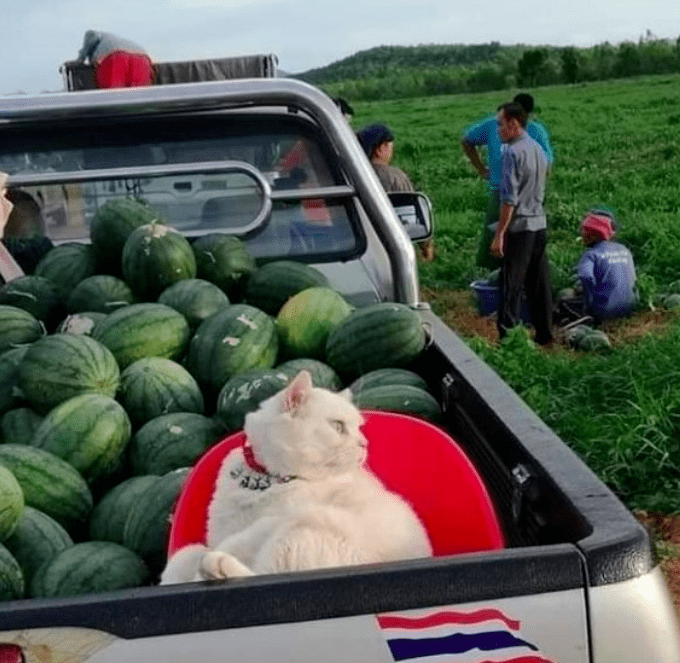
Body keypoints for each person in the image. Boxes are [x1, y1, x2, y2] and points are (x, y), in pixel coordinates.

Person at [462, 93, 553, 269]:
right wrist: (481, 169)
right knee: (497, 233)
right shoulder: (493, 126)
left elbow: (546, 162)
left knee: (519, 235)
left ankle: (515, 270)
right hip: (503, 191)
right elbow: (467, 141)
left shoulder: (535, 130)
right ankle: (494, 272)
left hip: (523, 194)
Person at [490, 102, 553, 346]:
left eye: (500, 124)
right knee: (539, 283)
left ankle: (509, 340)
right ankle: (545, 334)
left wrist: (500, 235)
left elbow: (509, 200)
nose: (498, 130)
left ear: (514, 125)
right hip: (539, 225)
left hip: (520, 228)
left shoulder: (512, 153)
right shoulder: (537, 149)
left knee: (511, 286)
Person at [356, 123, 435, 261]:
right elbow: (413, 214)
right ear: (381, 149)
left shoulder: (352, 175)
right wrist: (426, 246)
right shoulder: (395, 177)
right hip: (390, 244)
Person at [576, 211, 637, 322]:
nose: (582, 235)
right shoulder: (624, 249)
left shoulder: (591, 255)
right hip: (630, 307)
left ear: (593, 234)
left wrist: (590, 301)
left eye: (585, 231)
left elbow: (586, 277)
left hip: (605, 312)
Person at [76, 30, 154, 89]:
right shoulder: (119, 40)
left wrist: (80, 59)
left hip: (116, 57)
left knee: (114, 94)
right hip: (142, 58)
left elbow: (91, 37)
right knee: (139, 95)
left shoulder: (96, 34)